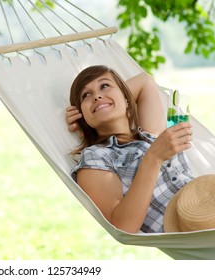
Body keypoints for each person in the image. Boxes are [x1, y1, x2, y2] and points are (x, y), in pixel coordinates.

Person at [66, 65, 194, 233]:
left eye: (104, 86)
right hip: (194, 229)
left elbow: (145, 81)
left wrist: (112, 100)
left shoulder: (150, 134)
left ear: (127, 99)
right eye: (85, 96)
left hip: (211, 203)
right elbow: (123, 227)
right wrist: (153, 158)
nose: (96, 96)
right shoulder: (97, 156)